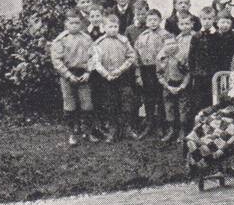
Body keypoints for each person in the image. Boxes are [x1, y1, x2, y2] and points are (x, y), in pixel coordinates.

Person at [90, 13, 137, 142]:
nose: (113, 29)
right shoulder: (99, 43)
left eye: (115, 27)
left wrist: (120, 70)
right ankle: (113, 129)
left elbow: (131, 56)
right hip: (107, 79)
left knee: (126, 102)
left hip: (122, 76)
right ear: (104, 27)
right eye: (110, 27)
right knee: (110, 104)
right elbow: (96, 62)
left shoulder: (124, 40)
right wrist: (106, 74)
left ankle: (127, 128)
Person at [51, 10, 95, 146]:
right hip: (67, 75)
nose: (75, 26)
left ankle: (87, 131)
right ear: (66, 24)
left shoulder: (86, 38)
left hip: (84, 74)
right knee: (70, 105)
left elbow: (93, 56)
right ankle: (72, 133)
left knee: (87, 105)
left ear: (81, 24)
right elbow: (57, 61)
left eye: (77, 23)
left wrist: (88, 72)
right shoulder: (60, 40)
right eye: (71, 23)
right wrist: (68, 75)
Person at [133, 8, 170, 140]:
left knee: (160, 98)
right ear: (146, 21)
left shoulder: (166, 35)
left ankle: (161, 125)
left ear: (160, 20)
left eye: (155, 20)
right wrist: (138, 74)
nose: (153, 22)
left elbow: (169, 54)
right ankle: (149, 124)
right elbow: (136, 56)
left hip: (160, 70)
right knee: (148, 98)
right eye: (150, 20)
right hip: (146, 71)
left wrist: (164, 70)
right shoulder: (142, 36)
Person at [156, 20, 193, 144]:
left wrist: (183, 85)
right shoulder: (161, 57)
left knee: (183, 109)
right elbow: (159, 74)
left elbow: (188, 72)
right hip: (168, 86)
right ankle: (171, 130)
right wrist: (166, 85)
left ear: (177, 43)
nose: (171, 46)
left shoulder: (182, 56)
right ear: (163, 46)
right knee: (169, 108)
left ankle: (183, 131)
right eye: (167, 44)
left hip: (182, 85)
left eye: (173, 43)